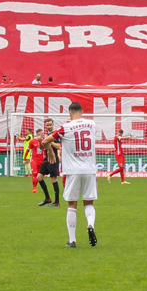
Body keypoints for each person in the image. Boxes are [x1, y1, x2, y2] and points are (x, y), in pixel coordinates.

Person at [39, 102, 100, 247]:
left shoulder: (65, 128)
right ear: (82, 111)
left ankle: (72, 240)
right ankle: (90, 224)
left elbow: (45, 141)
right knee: (89, 203)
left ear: (69, 113)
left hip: (72, 171)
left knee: (72, 205)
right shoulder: (92, 124)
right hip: (89, 170)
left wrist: (49, 150)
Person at [37, 118, 61, 207]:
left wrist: (49, 141)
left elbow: (58, 146)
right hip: (46, 159)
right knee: (39, 177)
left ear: (53, 125)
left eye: (50, 125)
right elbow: (41, 147)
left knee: (53, 179)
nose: (49, 127)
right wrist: (40, 140)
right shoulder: (46, 135)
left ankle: (57, 202)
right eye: (47, 125)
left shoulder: (55, 135)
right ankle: (47, 198)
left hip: (53, 159)